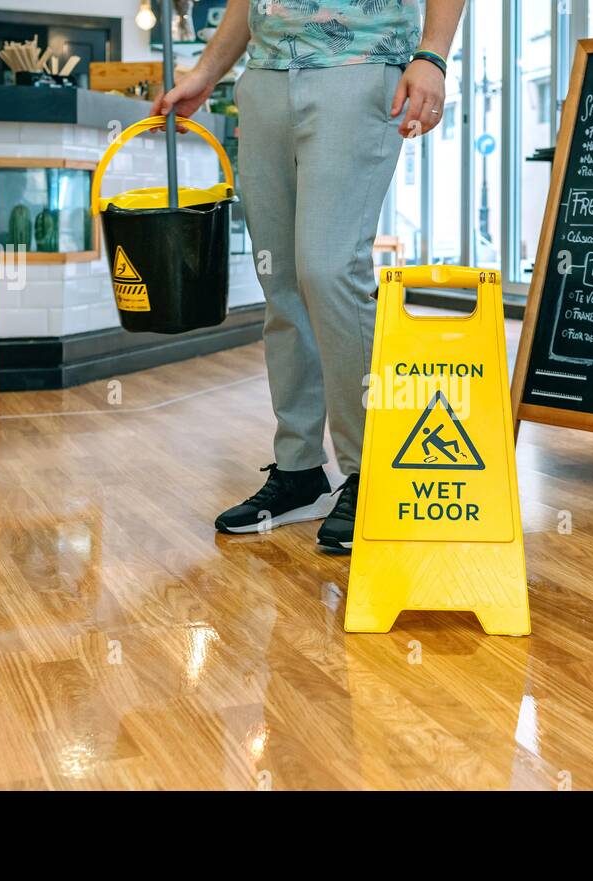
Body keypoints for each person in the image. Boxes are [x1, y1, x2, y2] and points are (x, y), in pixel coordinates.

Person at [154, 0, 465, 552]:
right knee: (281, 282)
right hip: (266, 81)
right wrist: (206, 73)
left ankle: (373, 472)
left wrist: (433, 54)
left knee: (327, 269)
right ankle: (298, 468)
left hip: (361, 69)